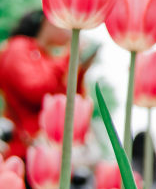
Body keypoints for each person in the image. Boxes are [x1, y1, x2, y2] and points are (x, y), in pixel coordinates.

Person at [0, 10, 96, 160]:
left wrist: (80, 70)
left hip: (46, 152)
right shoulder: (18, 47)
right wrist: (70, 58)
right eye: (66, 24)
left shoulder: (46, 57)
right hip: (22, 151)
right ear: (49, 21)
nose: (71, 32)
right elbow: (34, 91)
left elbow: (67, 101)